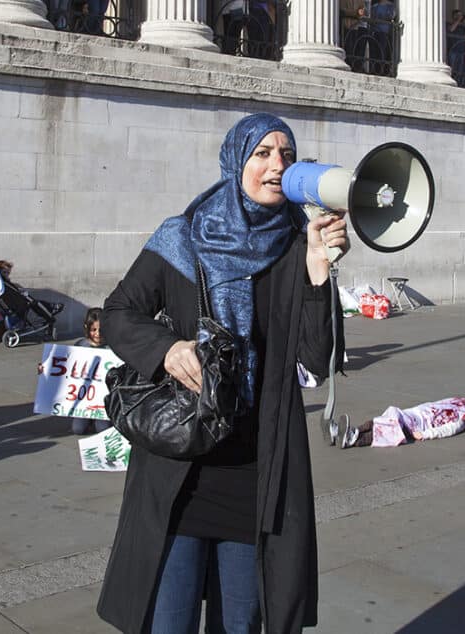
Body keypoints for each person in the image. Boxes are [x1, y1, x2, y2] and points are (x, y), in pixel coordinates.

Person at [96, 114, 346, 633]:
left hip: (256, 475)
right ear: (237, 161)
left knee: (243, 621)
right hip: (181, 465)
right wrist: (166, 350)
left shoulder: (297, 246)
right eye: (263, 153)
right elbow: (118, 313)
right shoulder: (180, 239)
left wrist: (321, 270)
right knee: (171, 618)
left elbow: (318, 360)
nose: (277, 165)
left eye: (287, 154)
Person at [338, 397, 465, 449]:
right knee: (387, 420)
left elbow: (447, 429)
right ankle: (354, 433)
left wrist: (425, 434)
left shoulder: (463, 419)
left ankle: (355, 438)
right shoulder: (459, 403)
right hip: (415, 414)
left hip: (420, 424)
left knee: (389, 428)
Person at [70, 307, 112, 435]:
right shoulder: (79, 345)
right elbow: (66, 369)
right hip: (83, 397)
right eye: (94, 330)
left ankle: (107, 418)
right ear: (86, 328)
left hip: (103, 398)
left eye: (100, 330)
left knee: (102, 430)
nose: (97, 334)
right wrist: (46, 369)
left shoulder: (111, 347)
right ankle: (87, 419)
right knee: (77, 429)